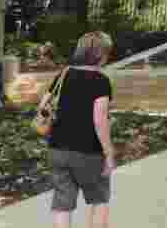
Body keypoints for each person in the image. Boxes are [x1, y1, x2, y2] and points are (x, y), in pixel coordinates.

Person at [44, 31, 116, 228]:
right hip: (89, 151)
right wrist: (109, 153)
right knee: (99, 199)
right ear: (100, 55)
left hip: (57, 148)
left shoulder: (63, 74)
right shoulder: (101, 81)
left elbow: (43, 106)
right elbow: (99, 119)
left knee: (62, 203)